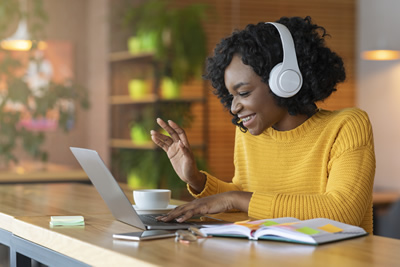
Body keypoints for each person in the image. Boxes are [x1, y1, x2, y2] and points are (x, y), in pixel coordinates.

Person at [150, 16, 376, 233]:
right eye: (231, 96)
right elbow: (243, 194)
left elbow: (343, 213)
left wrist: (235, 199)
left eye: (244, 92)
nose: (234, 107)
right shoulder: (249, 133)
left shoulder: (347, 126)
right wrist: (196, 180)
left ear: (285, 81)